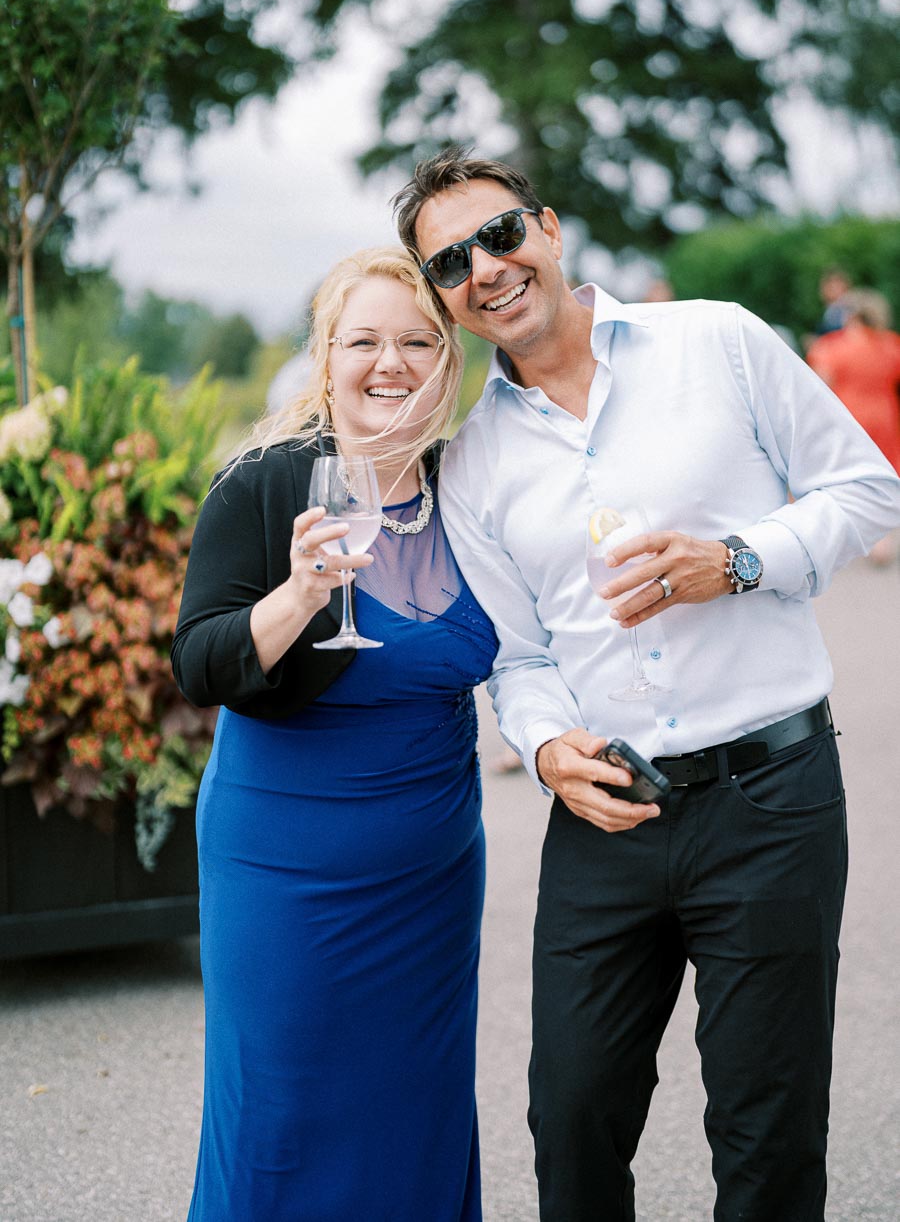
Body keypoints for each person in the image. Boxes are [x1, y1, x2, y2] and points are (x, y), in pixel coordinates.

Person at [391, 148, 900, 1222]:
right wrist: (543, 748)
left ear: (550, 227)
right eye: (450, 262)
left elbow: (866, 488)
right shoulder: (474, 457)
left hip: (774, 798)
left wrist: (739, 559)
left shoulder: (716, 339)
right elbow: (522, 660)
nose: (485, 268)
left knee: (767, 1138)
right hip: (607, 820)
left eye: (499, 235)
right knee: (570, 1123)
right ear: (442, 297)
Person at [171, 246, 497, 1222]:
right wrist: (302, 592)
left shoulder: (472, 491)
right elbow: (200, 662)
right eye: (363, 340)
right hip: (285, 872)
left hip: (431, 880)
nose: (389, 362)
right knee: (281, 1117)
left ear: (449, 359)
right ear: (326, 359)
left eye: (417, 340)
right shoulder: (265, 484)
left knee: (414, 1112)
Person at [808, 288, 900, 564]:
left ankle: (838, 544)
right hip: (884, 416)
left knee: (841, 481)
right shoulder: (892, 344)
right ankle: (882, 543)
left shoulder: (830, 346)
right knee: (883, 478)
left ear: (850, 315)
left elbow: (818, 385)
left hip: (847, 419)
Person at [817, 265, 853, 335]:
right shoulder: (831, 310)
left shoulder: (844, 311)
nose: (832, 287)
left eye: (837, 283)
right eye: (829, 283)